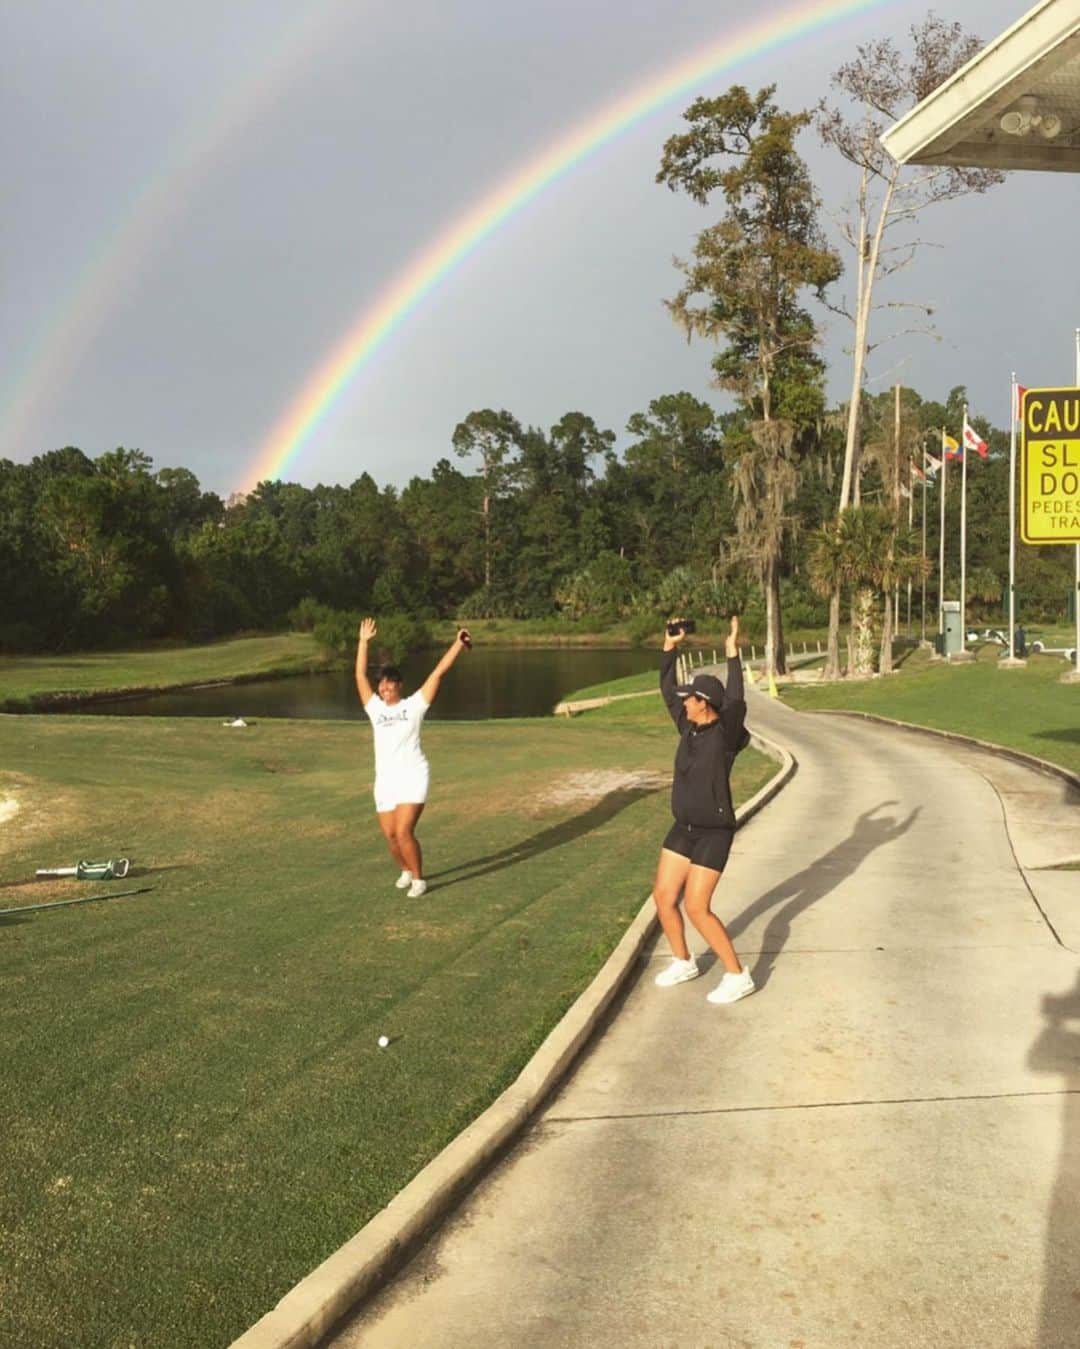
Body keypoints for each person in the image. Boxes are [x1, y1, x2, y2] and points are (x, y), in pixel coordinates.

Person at [652, 614, 755, 1004]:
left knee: (697, 906)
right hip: (684, 828)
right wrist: (669, 646)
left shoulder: (724, 735)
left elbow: (737, 700)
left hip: (714, 832)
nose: (683, 702)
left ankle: (737, 974)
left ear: (705, 704)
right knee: (663, 898)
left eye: (689, 698)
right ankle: (683, 961)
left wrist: (732, 653)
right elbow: (665, 689)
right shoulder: (688, 725)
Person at [355, 618, 470, 898]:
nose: (384, 689)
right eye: (381, 685)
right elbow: (359, 676)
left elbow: (438, 673)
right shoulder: (375, 709)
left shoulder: (414, 705)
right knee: (391, 836)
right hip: (385, 781)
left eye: (389, 684)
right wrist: (363, 642)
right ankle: (406, 870)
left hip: (413, 775)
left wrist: (457, 644)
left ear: (399, 686)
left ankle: (419, 879)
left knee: (404, 831)